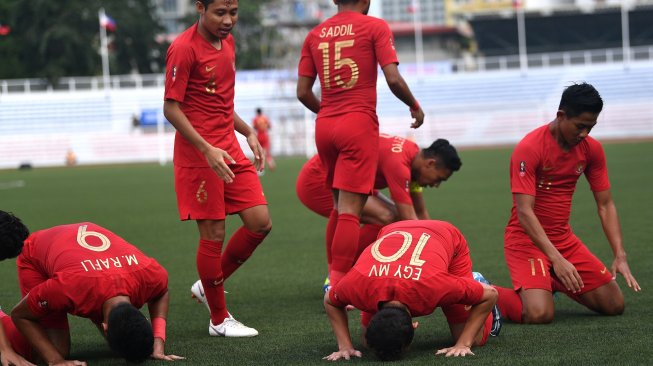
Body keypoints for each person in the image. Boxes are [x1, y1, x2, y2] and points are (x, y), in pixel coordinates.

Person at [296, 0, 425, 290]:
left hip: (325, 126)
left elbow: (302, 92)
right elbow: (392, 78)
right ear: (366, 1)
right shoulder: (375, 26)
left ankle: (334, 274)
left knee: (338, 206)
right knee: (351, 211)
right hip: (358, 124)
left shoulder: (315, 34)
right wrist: (414, 105)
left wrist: (329, 113)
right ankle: (340, 284)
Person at [163, 0, 272, 337]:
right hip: (201, 155)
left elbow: (221, 102)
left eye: (233, 13)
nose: (228, 21)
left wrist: (248, 131)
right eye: (220, 13)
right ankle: (219, 320)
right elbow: (171, 108)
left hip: (228, 147)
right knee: (213, 235)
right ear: (200, 7)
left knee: (260, 223)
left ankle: (207, 285)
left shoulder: (228, 42)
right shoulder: (183, 49)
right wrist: (206, 148)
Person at [494, 82, 641, 325]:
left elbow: (605, 205)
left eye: (591, 127)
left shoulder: (591, 149)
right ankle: (481, 289)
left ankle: (549, 280)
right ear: (561, 116)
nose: (585, 134)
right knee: (539, 314)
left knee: (614, 304)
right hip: (526, 240)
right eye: (580, 126)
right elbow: (524, 212)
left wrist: (619, 255)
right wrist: (557, 259)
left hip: (563, 239)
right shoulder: (530, 148)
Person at [0, 210, 183, 365]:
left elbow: (161, 292)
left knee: (124, 338)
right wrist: (56, 361)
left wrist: (158, 341)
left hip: (81, 253)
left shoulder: (148, 274)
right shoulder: (67, 287)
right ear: (103, 326)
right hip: (37, 254)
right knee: (52, 350)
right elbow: (20, 314)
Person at [324, 220, 500, 361]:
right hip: (392, 230)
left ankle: (476, 280)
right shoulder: (357, 287)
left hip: (444, 235)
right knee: (368, 343)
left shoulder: (435, 286)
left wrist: (463, 344)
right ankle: (469, 286)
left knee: (474, 339)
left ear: (415, 326)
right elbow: (329, 299)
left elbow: (490, 295)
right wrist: (345, 346)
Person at [297, 135, 462, 277]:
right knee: (388, 217)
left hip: (349, 179)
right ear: (430, 163)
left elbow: (420, 213)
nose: (436, 185)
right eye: (439, 179)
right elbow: (409, 220)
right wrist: (436, 261)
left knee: (393, 217)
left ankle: (346, 271)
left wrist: (441, 250)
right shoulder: (400, 165)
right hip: (318, 182)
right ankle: (339, 274)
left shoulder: (413, 156)